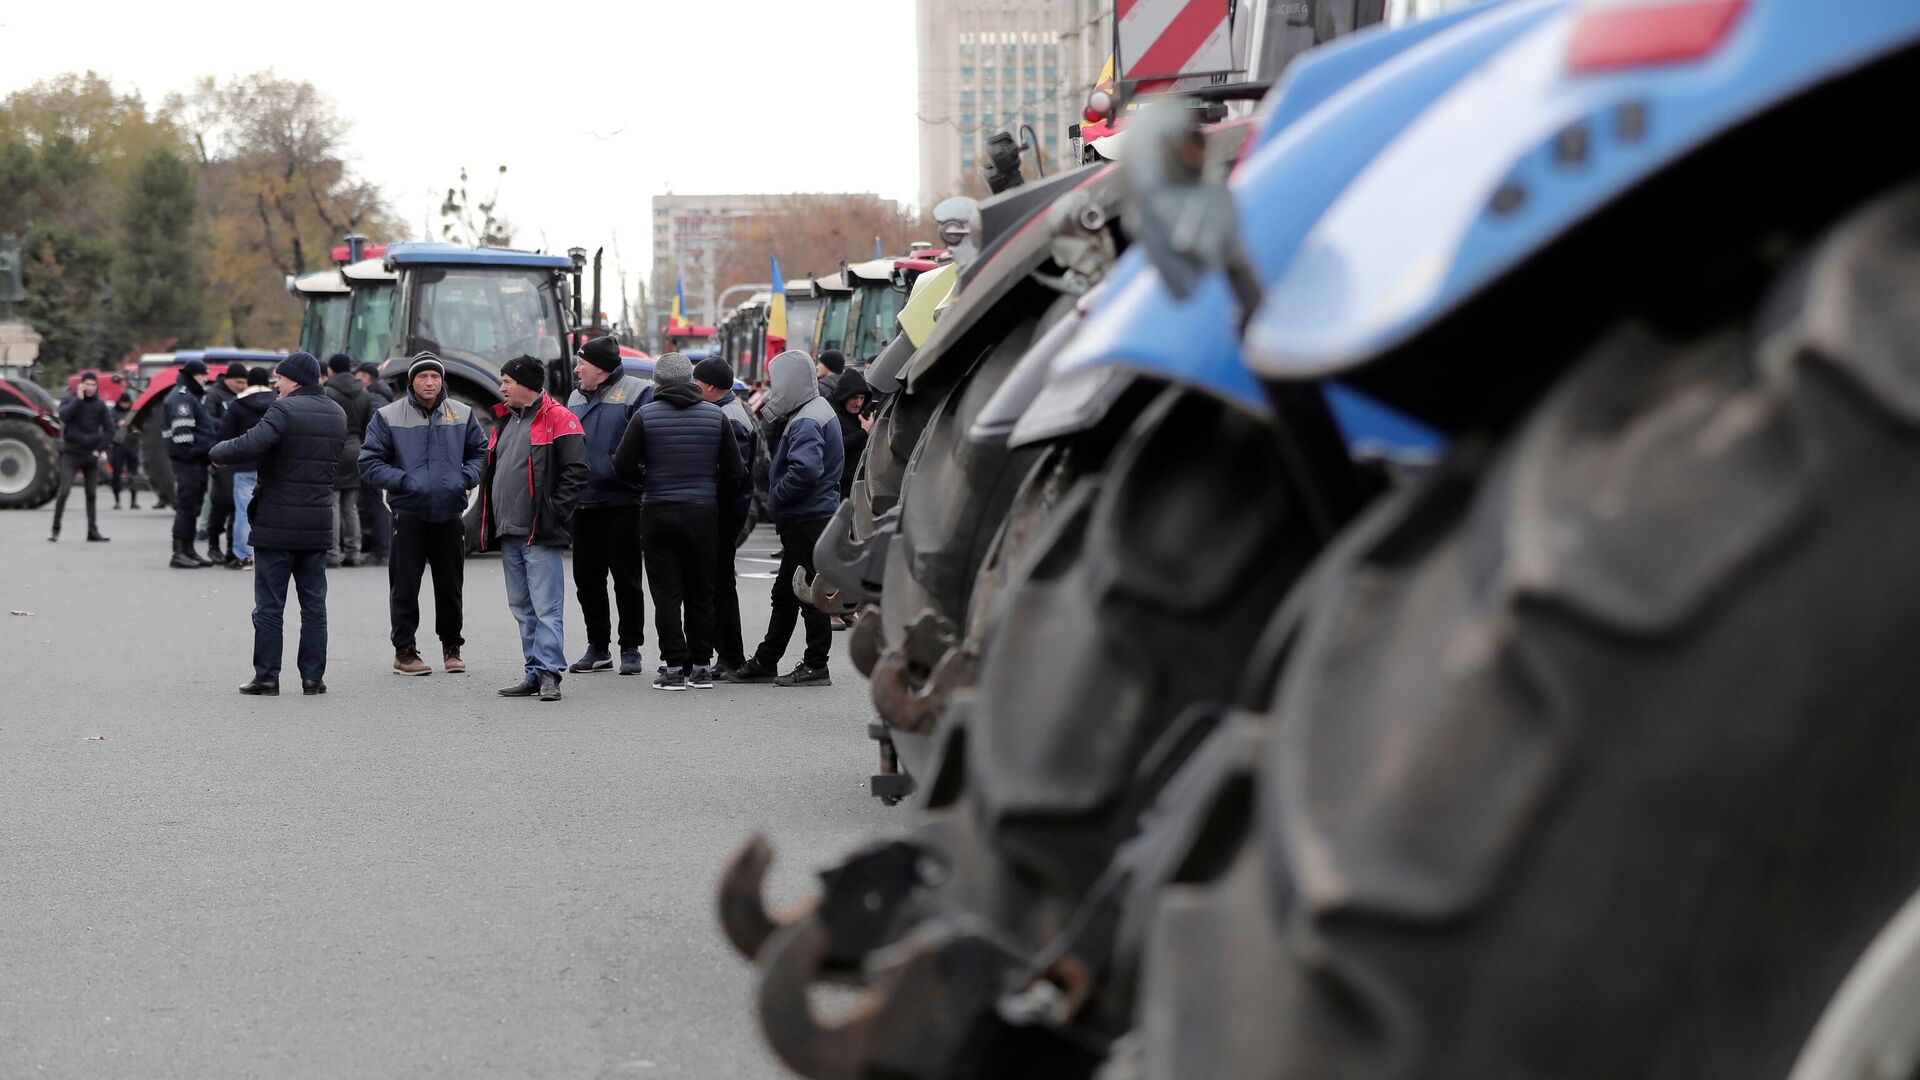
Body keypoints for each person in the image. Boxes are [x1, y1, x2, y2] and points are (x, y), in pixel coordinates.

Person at [209, 352, 346, 697]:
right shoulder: (336, 413)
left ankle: (267, 676)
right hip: (316, 523)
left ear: (295, 379)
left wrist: (218, 452)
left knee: (270, 605)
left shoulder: (283, 410)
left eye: (280, 379)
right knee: (314, 605)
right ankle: (313, 678)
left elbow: (251, 442)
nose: (276, 384)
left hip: (277, 523)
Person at [612, 352, 743, 690]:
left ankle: (673, 669)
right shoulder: (716, 417)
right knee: (702, 593)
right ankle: (701, 666)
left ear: (658, 382)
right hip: (702, 513)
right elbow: (735, 473)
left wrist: (647, 477)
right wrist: (709, 488)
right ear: (690, 381)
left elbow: (622, 465)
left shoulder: (645, 415)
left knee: (666, 594)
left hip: (658, 511)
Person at [360, 353, 489, 676]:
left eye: (435, 376)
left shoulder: (461, 414)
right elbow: (369, 462)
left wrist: (465, 478)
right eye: (422, 377)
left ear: (442, 380)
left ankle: (452, 648)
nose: (429, 382)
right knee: (405, 586)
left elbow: (479, 452)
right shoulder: (388, 416)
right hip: (408, 512)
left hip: (449, 513)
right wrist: (404, 481)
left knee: (450, 585)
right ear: (412, 382)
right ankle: (404, 652)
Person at [723, 349, 842, 687]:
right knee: (790, 592)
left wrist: (776, 497)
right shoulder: (815, 410)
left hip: (807, 517)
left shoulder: (806, 418)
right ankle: (767, 660)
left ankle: (814, 664)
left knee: (806, 593)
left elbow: (805, 470)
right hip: (812, 515)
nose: (774, 389)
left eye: (777, 382)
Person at [479, 356, 587, 702]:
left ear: (525, 383)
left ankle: (549, 674)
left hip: (539, 531)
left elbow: (576, 472)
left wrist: (553, 514)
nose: (502, 388)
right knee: (522, 608)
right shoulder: (505, 421)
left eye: (507, 381)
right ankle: (532, 671)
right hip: (510, 531)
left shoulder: (559, 418)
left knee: (545, 608)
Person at [565, 335, 652, 676]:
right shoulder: (574, 396)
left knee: (626, 579)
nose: (576, 369)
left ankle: (631, 647)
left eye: (582, 364)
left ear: (600, 370)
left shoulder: (638, 392)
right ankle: (597, 646)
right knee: (587, 579)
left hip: (622, 500)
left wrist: (633, 476)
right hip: (583, 502)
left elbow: (649, 444)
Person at [694, 356, 757, 677]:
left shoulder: (730, 417)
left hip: (724, 513)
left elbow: (734, 472)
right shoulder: (726, 411)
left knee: (719, 585)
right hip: (723, 510)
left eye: (697, 384)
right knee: (716, 584)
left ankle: (730, 655)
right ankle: (723, 654)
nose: (693, 388)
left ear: (712, 387)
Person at [218, 368, 276, 569]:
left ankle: (244, 556)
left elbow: (225, 435)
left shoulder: (236, 405)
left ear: (248, 382)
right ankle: (272, 552)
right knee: (273, 511)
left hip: (244, 466)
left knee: (243, 512)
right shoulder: (279, 403)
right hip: (272, 467)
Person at [163, 359, 218, 568]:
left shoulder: (189, 396)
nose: (206, 378)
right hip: (188, 461)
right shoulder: (182, 398)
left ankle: (189, 549)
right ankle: (179, 552)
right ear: (195, 375)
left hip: (195, 461)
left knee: (193, 506)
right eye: (204, 374)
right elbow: (182, 436)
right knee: (187, 505)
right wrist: (198, 452)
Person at [49, 370, 114, 543]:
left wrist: (99, 450)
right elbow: (64, 416)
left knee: (91, 494)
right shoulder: (71, 400)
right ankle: (55, 529)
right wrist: (79, 399)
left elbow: (110, 430)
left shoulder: (100, 405)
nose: (90, 388)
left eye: (93, 384)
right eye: (87, 384)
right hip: (71, 453)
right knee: (64, 491)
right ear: (81, 385)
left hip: (90, 454)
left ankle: (92, 530)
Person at [322, 353, 371, 568]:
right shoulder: (364, 392)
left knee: (332, 503)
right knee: (350, 506)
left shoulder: (328, 392)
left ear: (331, 370)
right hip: (356, 448)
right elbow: (368, 424)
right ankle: (354, 553)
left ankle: (332, 554)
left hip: (334, 449)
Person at [203, 362, 249, 562]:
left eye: (244, 382)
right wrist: (228, 424)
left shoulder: (241, 397)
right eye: (238, 382)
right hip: (221, 454)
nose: (242, 386)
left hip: (237, 455)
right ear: (228, 379)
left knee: (236, 504)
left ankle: (232, 547)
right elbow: (206, 420)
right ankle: (213, 544)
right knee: (221, 501)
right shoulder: (214, 395)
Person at [354, 361, 394, 567]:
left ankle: (381, 550)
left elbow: (374, 428)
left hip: (375, 456)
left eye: (358, 377)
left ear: (366, 378)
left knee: (375, 502)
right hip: (379, 455)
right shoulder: (381, 394)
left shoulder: (375, 397)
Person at [828, 367, 870, 500]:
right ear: (844, 396)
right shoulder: (831, 414)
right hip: (836, 490)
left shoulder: (859, 417)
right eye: (855, 398)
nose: (858, 403)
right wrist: (863, 432)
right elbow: (835, 445)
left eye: (862, 398)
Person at [108, 390, 141, 510]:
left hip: (132, 445)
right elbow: (109, 424)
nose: (125, 405)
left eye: (127, 403)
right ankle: (117, 501)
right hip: (118, 445)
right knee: (116, 473)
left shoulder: (133, 412)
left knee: (133, 474)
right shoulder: (113, 412)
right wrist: (118, 423)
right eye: (123, 403)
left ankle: (133, 501)